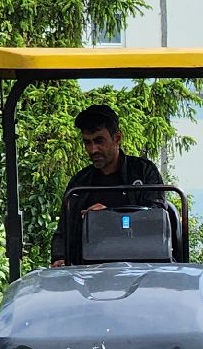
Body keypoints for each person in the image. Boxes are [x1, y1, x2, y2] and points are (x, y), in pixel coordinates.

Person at [52, 104, 165, 267]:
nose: (93, 150)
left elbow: (156, 221)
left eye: (99, 141)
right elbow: (63, 231)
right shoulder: (79, 183)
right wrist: (60, 258)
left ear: (117, 138)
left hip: (140, 267)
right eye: (87, 143)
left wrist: (109, 217)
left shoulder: (144, 172)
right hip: (88, 271)